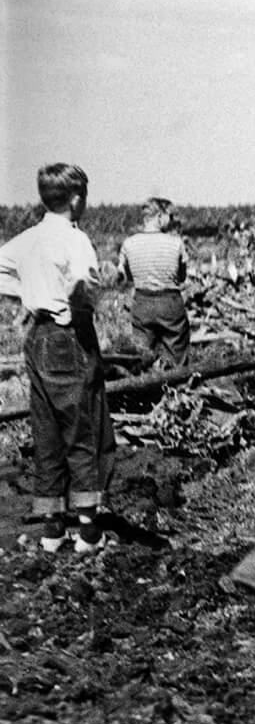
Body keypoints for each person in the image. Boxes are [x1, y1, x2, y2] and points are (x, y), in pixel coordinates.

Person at [0, 163, 115, 554]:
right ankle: (87, 531)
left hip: (37, 336)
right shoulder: (74, 239)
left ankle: (52, 529)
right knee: (83, 428)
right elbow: (82, 287)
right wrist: (75, 316)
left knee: (46, 429)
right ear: (77, 197)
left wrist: (30, 291)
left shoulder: (27, 239)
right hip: (68, 335)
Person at [119, 197, 190, 368]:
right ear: (160, 217)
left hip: (142, 302)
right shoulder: (175, 243)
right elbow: (181, 277)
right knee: (176, 356)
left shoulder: (129, 244)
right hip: (170, 302)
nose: (170, 220)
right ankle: (178, 389)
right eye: (169, 216)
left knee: (141, 356)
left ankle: (142, 389)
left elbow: (126, 277)